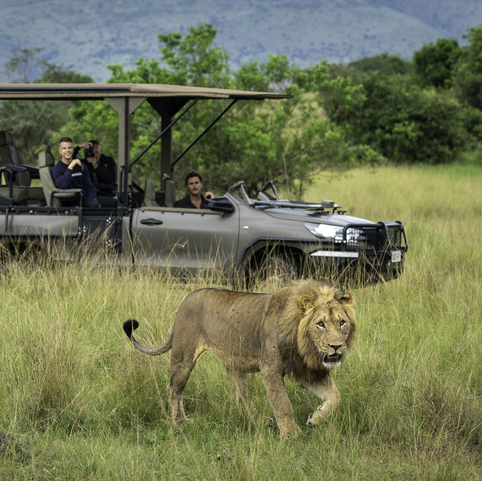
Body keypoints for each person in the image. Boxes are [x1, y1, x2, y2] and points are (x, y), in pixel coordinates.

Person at [52, 137, 99, 207]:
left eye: (70, 148)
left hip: (85, 198)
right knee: (94, 205)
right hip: (72, 201)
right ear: (60, 150)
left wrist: (94, 199)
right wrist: (70, 167)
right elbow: (63, 185)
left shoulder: (81, 165)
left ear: (73, 149)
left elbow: (89, 186)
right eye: (64, 148)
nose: (67, 150)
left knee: (113, 203)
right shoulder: (57, 168)